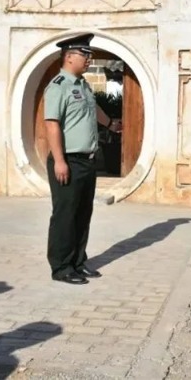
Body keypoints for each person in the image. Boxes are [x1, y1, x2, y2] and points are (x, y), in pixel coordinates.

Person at [44, 33, 122, 285]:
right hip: (68, 160)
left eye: (89, 55)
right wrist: (59, 161)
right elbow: (52, 124)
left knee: (82, 213)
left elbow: (93, 109)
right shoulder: (58, 86)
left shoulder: (83, 85)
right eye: (84, 54)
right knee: (65, 215)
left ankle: (78, 262)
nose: (89, 59)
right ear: (69, 57)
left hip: (87, 160)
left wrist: (109, 123)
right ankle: (61, 267)